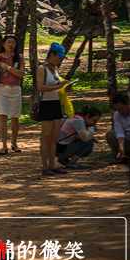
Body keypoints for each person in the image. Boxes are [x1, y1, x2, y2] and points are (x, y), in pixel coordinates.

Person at [36, 42, 73, 177]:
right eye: (59, 57)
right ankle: (45, 166)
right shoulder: (42, 68)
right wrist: (58, 86)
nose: (61, 60)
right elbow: (41, 87)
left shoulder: (55, 70)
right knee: (45, 137)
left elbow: (58, 86)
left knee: (54, 137)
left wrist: (65, 87)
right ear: (52, 54)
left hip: (56, 104)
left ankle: (53, 165)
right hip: (46, 105)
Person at [105, 92, 130, 165]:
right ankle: (121, 159)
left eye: (121, 109)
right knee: (110, 134)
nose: (120, 111)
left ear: (128, 104)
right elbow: (119, 131)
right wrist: (121, 146)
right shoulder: (117, 115)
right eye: (118, 109)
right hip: (128, 142)